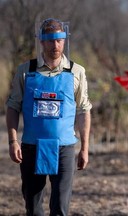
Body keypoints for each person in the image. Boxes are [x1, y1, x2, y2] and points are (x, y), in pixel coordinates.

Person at [6, 18, 92, 216]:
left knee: (60, 207)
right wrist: (13, 141)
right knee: (33, 207)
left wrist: (85, 148)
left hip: (65, 148)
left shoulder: (76, 72)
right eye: (50, 40)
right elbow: (12, 106)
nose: (55, 45)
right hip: (31, 147)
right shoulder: (26, 71)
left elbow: (83, 110)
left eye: (59, 40)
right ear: (41, 41)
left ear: (65, 40)